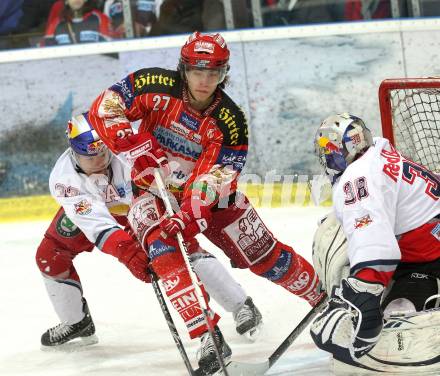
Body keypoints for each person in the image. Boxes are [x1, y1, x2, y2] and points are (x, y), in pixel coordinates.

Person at [87, 31, 324, 374]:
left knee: (262, 253)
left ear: (224, 74)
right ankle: (206, 335)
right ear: (183, 69)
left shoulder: (232, 120)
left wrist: (190, 212)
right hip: (150, 190)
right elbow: (106, 106)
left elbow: (219, 177)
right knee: (162, 249)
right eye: (198, 71)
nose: (205, 80)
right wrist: (134, 147)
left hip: (209, 199)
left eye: (214, 73)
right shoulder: (152, 82)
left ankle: (324, 299)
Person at [36, 112, 263, 351]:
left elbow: (158, 186)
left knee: (176, 248)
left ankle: (241, 304)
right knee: (50, 253)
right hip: (98, 210)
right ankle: (76, 321)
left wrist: (150, 240)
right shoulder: (64, 180)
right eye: (90, 157)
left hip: (139, 203)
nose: (100, 161)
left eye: (103, 152)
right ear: (73, 151)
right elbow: (98, 224)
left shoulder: (126, 151)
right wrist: (128, 252)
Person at [309, 113, 440, 367]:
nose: (326, 155)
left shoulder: (358, 176)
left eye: (328, 148)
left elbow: (372, 237)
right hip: (424, 250)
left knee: (398, 317)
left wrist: (364, 290)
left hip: (427, 261)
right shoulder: (379, 155)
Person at [43, 0, 112, 46]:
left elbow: (112, 48)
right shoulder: (56, 24)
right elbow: (47, 51)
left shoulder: (100, 19)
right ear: (66, 1)